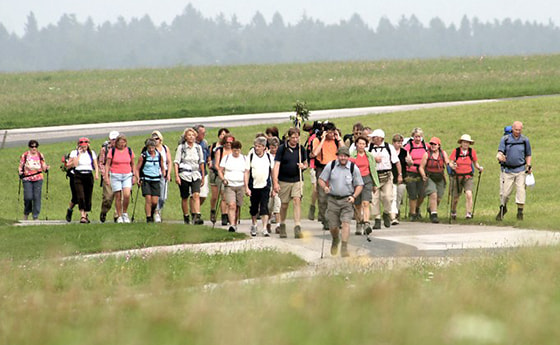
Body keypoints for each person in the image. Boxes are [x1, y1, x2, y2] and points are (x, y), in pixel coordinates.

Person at [318, 146, 364, 257]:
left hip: (347, 200)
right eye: (340, 155)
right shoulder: (331, 165)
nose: (342, 158)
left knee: (345, 223)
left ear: (348, 157)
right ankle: (335, 239)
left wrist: (354, 196)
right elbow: (321, 179)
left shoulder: (353, 168)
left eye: (345, 156)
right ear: (338, 156)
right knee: (333, 226)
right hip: (333, 200)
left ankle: (344, 247)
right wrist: (325, 188)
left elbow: (359, 185)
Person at [272, 127, 308, 239]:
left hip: (297, 179)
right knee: (284, 204)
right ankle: (282, 224)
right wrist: (275, 182)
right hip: (284, 180)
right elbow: (276, 165)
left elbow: (306, 164)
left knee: (297, 200)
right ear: (289, 137)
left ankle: (297, 226)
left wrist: (303, 166)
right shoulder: (282, 149)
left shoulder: (301, 149)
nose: (295, 140)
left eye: (297, 137)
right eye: (293, 137)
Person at [496, 121, 532, 221]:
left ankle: (520, 212)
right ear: (512, 129)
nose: (518, 132)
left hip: (520, 170)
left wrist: (528, 165)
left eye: (520, 130)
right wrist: (500, 157)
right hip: (507, 170)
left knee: (521, 191)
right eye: (516, 130)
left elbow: (528, 154)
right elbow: (500, 151)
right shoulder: (505, 139)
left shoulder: (525, 140)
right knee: (505, 193)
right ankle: (503, 208)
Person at [368, 129, 403, 229]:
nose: (372, 139)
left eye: (374, 137)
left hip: (387, 175)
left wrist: (400, 174)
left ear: (380, 138)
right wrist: (373, 159)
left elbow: (396, 162)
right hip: (374, 176)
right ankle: (377, 219)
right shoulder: (369, 147)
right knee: (374, 199)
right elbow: (365, 158)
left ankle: (386, 213)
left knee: (388, 196)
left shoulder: (389, 147)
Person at [312, 121, 344, 230]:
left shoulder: (336, 141)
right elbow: (315, 153)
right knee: (323, 196)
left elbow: (345, 151)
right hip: (322, 168)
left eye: (332, 132)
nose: (331, 135)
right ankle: (325, 219)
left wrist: (339, 138)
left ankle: (336, 219)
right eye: (329, 132)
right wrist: (323, 139)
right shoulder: (317, 140)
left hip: (335, 168)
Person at [174, 127, 205, 225]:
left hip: (195, 174)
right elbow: (176, 162)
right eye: (189, 135)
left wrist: (203, 176)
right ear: (186, 137)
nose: (191, 137)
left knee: (196, 194)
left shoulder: (198, 147)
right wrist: (177, 176)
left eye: (193, 135)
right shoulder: (181, 148)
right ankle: (186, 215)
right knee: (185, 197)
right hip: (184, 174)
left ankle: (197, 215)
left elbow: (201, 162)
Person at [244, 137, 274, 236]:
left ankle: (264, 228)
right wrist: (246, 187)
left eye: (259, 146)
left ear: (264, 147)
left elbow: (273, 172)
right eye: (256, 146)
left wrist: (274, 186)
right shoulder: (251, 155)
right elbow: (247, 172)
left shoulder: (269, 157)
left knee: (264, 207)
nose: (257, 148)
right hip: (254, 185)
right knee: (254, 207)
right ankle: (254, 224)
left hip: (265, 185)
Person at [449, 134, 484, 219]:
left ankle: (468, 213)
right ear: (461, 143)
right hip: (457, 177)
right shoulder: (456, 151)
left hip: (468, 176)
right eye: (464, 142)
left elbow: (475, 163)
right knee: (455, 197)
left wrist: (479, 168)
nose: (465, 144)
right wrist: (452, 165)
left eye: (467, 142)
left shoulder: (472, 152)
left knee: (469, 194)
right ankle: (453, 211)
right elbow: (450, 162)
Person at [350, 136, 379, 235]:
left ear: (366, 145)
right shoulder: (352, 156)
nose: (361, 146)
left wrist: (375, 184)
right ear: (356, 144)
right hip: (356, 180)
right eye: (360, 144)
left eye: (363, 144)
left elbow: (373, 170)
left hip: (367, 179)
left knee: (366, 202)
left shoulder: (369, 156)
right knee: (357, 204)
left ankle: (366, 223)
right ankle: (359, 222)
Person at [105, 134, 136, 223]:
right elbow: (108, 164)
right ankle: (119, 215)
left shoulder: (129, 151)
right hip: (115, 175)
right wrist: (106, 176)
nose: (122, 145)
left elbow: (133, 164)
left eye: (123, 143)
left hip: (127, 174)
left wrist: (134, 175)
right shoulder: (112, 151)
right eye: (120, 143)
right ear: (117, 143)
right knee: (118, 196)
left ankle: (125, 213)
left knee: (126, 194)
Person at [419, 137, 450, 223]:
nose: (433, 146)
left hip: (440, 177)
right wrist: (423, 175)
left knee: (439, 197)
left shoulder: (443, 154)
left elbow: (447, 162)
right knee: (433, 194)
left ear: (439, 145)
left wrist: (451, 166)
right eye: (431, 144)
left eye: (435, 144)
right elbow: (421, 167)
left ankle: (431, 208)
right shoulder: (427, 154)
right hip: (430, 177)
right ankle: (434, 215)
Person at [68, 137, 99, 223]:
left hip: (88, 174)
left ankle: (86, 214)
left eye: (85, 146)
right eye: (82, 146)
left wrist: (96, 173)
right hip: (78, 174)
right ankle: (82, 215)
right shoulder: (75, 153)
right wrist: (79, 154)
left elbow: (95, 164)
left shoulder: (92, 153)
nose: (84, 148)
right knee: (80, 196)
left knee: (88, 195)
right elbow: (75, 164)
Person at [218, 140, 246, 232]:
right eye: (234, 150)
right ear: (232, 150)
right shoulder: (226, 158)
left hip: (241, 185)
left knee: (238, 205)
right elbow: (220, 170)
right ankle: (232, 225)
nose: (236, 152)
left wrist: (246, 185)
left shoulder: (244, 159)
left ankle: (235, 221)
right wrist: (223, 179)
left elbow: (247, 172)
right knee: (231, 205)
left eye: (238, 150)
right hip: (229, 185)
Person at [18, 140, 49, 220]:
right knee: (28, 197)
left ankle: (35, 216)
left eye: (35, 147)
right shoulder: (25, 155)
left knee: (36, 197)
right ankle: (26, 212)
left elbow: (43, 165)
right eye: (32, 147)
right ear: (29, 147)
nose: (34, 148)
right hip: (27, 178)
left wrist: (46, 168)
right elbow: (21, 165)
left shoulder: (40, 155)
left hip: (38, 178)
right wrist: (20, 172)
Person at [136, 138, 165, 223]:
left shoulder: (159, 155)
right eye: (149, 147)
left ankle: (152, 213)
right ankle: (148, 218)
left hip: (156, 179)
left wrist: (164, 174)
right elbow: (137, 168)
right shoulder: (143, 156)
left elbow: (162, 167)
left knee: (155, 201)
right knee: (148, 199)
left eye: (152, 146)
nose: (151, 149)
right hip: (146, 179)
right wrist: (138, 178)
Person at [403, 128, 428, 221]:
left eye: (419, 137)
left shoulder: (425, 146)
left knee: (422, 193)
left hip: (422, 172)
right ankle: (412, 213)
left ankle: (417, 208)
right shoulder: (408, 146)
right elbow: (404, 155)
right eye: (416, 136)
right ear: (413, 136)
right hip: (411, 172)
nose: (418, 138)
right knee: (412, 193)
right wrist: (408, 160)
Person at [211, 131, 233, 226]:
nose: (228, 144)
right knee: (223, 196)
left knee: (230, 197)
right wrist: (222, 173)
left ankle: (229, 214)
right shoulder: (219, 150)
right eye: (227, 142)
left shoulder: (234, 151)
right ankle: (224, 215)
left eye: (230, 143)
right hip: (221, 176)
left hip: (232, 176)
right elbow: (216, 165)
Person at [98, 130, 119, 223]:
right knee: (108, 197)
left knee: (120, 196)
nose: (114, 141)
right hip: (109, 175)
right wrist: (104, 175)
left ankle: (117, 214)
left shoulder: (123, 148)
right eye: (113, 140)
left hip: (120, 174)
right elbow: (101, 163)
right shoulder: (105, 149)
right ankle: (104, 211)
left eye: (116, 139)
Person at [151, 130, 172, 223]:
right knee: (155, 195)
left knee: (163, 197)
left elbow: (169, 161)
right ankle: (155, 212)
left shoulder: (164, 148)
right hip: (153, 174)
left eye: (157, 138)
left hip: (163, 174)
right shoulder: (151, 149)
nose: (155, 140)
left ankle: (158, 209)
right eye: (153, 139)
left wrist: (169, 173)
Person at [191, 124, 210, 220]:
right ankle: (195, 214)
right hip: (193, 172)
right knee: (195, 194)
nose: (204, 135)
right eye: (202, 133)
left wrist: (209, 161)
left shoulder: (204, 143)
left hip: (203, 172)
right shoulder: (191, 143)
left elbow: (207, 155)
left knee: (203, 195)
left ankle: (195, 209)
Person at [390, 134, 408, 225]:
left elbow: (409, 163)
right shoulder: (389, 151)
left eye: (401, 142)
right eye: (397, 142)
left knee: (399, 194)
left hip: (402, 176)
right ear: (393, 143)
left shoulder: (404, 152)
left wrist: (410, 161)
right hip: (392, 176)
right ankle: (394, 213)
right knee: (393, 196)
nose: (399, 144)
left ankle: (397, 210)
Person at [266, 137, 281, 232]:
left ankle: (278, 225)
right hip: (269, 182)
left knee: (278, 203)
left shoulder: (281, 156)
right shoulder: (267, 156)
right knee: (269, 205)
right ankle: (267, 222)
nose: (274, 149)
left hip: (280, 182)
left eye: (275, 147)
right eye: (272, 147)